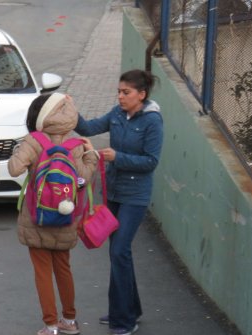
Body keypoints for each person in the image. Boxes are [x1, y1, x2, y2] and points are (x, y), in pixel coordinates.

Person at [73, 69, 163, 335]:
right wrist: (69, 108)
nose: (120, 97)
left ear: (141, 95)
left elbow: (151, 161)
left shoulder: (152, 122)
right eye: (119, 92)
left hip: (135, 196)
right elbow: (88, 128)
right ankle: (126, 310)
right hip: (112, 193)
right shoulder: (116, 113)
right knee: (118, 252)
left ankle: (124, 321)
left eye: (126, 93)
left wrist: (117, 157)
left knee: (119, 251)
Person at [8, 93, 99, 335]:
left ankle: (50, 325)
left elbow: (14, 168)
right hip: (66, 217)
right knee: (63, 268)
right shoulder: (77, 145)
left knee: (42, 272)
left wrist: (21, 150)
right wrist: (91, 155)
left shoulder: (34, 140)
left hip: (36, 218)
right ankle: (69, 321)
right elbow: (84, 179)